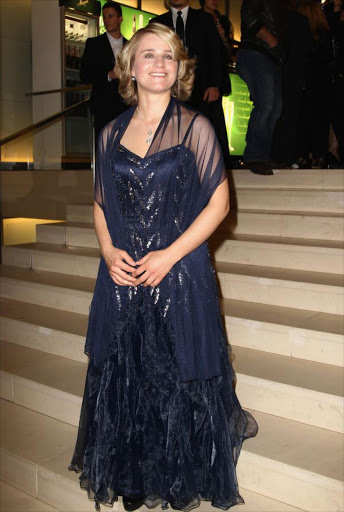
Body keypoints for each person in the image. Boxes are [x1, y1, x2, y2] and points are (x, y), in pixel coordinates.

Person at [69, 23, 257, 512]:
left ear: (179, 70)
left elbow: (218, 205)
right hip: (124, 271)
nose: (158, 64)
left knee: (177, 375)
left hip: (179, 269)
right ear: (130, 67)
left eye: (168, 57)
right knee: (127, 372)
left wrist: (169, 255)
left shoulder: (196, 127)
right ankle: (132, 473)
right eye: (148, 55)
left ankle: (180, 476)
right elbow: (99, 203)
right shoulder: (110, 131)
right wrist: (109, 252)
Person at [151, 0, 231, 169]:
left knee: (208, 137)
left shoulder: (204, 19)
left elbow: (215, 53)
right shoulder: (157, 23)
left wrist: (214, 84)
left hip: (203, 91)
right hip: (170, 93)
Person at [236, 0, 287, 175]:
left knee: (274, 109)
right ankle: (254, 156)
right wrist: (273, 42)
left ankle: (262, 155)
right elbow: (250, 18)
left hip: (270, 57)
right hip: (255, 52)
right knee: (266, 105)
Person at [80, 1, 128, 143]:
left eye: (110, 16)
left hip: (127, 106)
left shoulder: (130, 45)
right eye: (104, 17)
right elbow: (84, 74)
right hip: (103, 106)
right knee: (103, 148)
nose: (107, 20)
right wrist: (109, 75)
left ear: (120, 19)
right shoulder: (94, 44)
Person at [294, 0, 332, 168]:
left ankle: (303, 154)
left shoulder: (301, 32)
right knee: (320, 119)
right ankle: (318, 154)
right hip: (321, 82)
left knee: (304, 119)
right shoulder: (324, 33)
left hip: (306, 81)